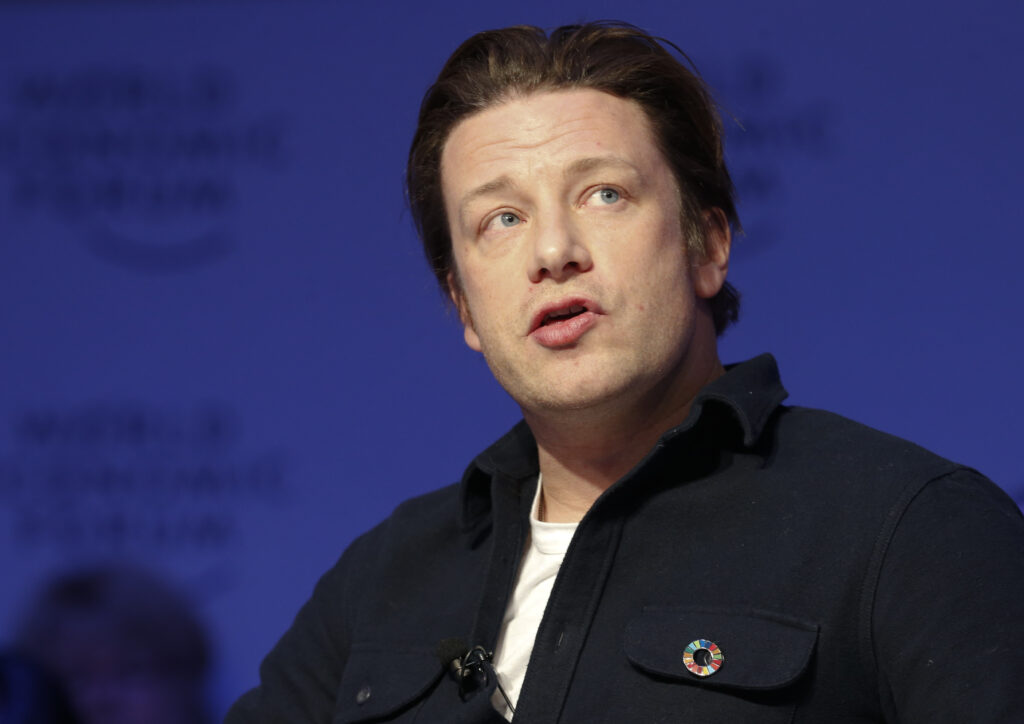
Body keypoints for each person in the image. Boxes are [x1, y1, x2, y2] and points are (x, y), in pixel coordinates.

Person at [227, 21, 1024, 723]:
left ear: (708, 245)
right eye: (501, 218)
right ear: (463, 305)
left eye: (604, 194)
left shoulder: (910, 529)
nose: (553, 252)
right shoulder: (380, 580)